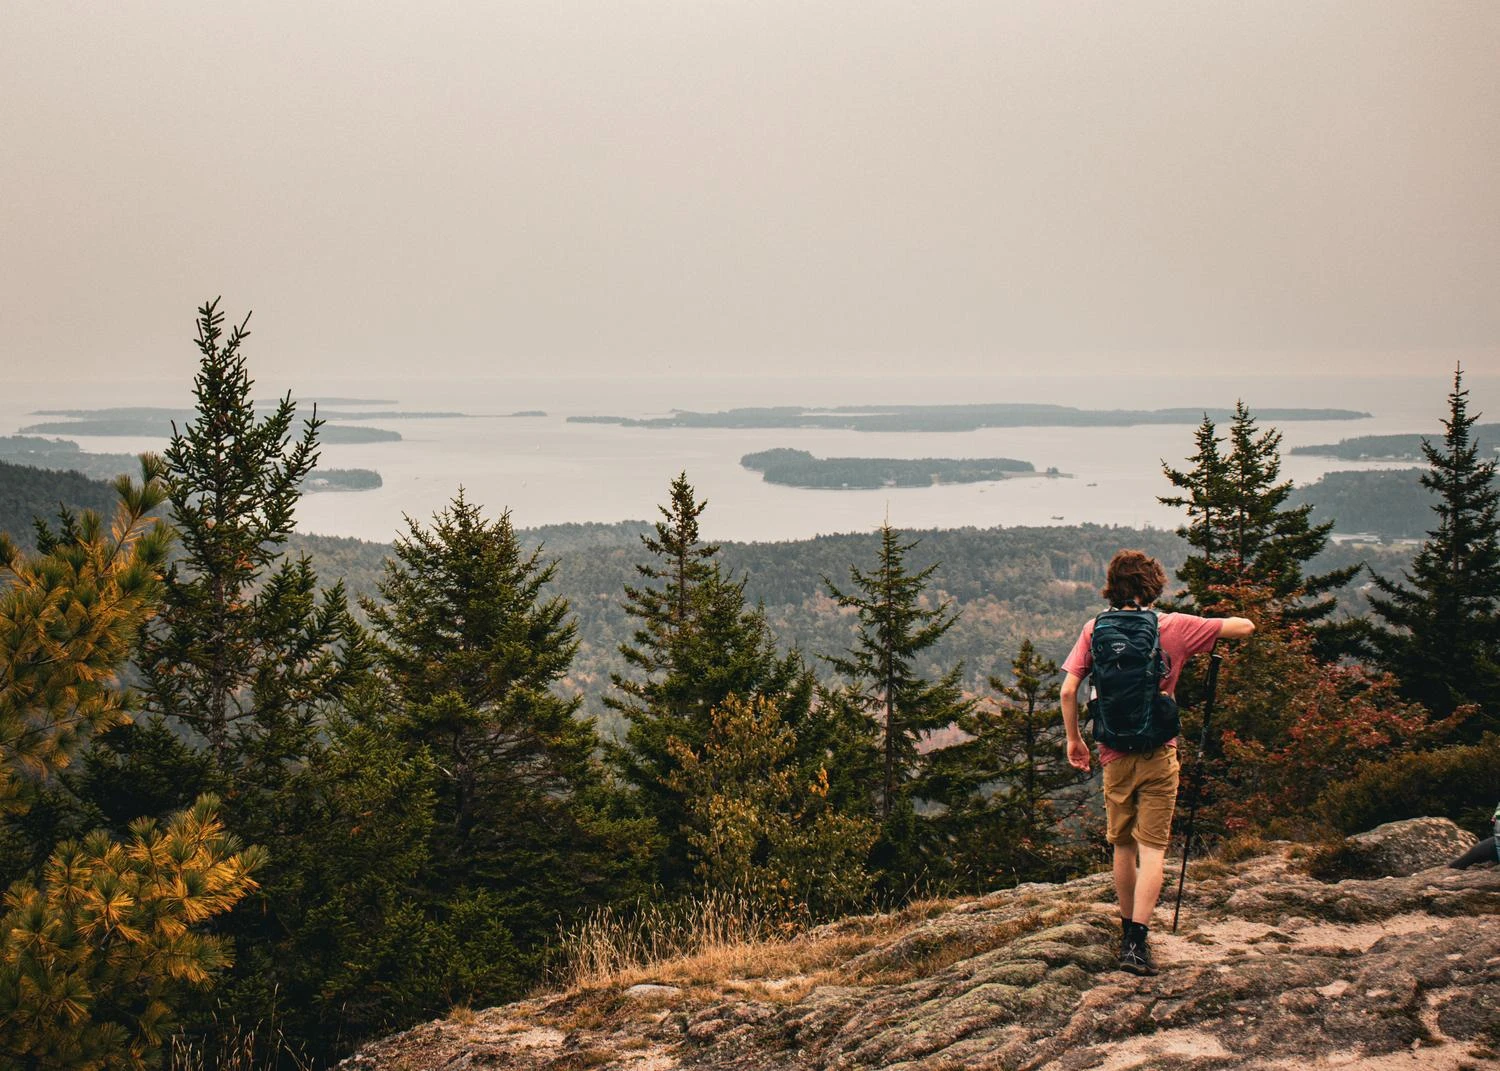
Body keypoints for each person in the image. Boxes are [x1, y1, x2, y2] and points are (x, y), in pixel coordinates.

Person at [1060, 550, 1254, 976]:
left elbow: (1067, 691)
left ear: (1112, 585)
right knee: (1153, 850)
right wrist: (1218, 626)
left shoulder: (1094, 629)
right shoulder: (1173, 627)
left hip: (1113, 753)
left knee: (1123, 845)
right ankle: (1137, 942)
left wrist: (1076, 741)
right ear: (1153, 585)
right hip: (1159, 752)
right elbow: (1244, 627)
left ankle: (1125, 925)